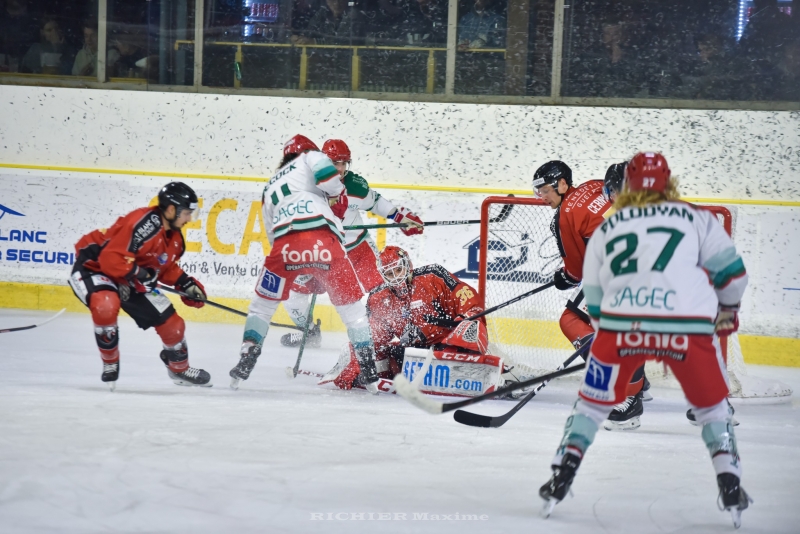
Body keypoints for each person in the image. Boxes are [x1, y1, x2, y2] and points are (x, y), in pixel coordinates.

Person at [539, 152, 752, 528]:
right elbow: (734, 275)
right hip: (687, 322)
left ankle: (562, 475)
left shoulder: (611, 227)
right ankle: (731, 483)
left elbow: (594, 292)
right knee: (712, 408)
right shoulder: (695, 216)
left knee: (591, 403)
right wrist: (727, 311)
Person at [228, 135, 382, 393]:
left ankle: (247, 355)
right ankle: (368, 367)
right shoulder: (314, 164)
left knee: (262, 307)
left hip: (286, 248)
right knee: (352, 310)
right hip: (325, 244)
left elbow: (271, 232)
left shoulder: (270, 186)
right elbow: (337, 196)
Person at [533, 160, 646, 430]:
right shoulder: (597, 186)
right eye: (539, 192)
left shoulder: (567, 213)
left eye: (545, 190)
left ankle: (625, 393)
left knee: (572, 320)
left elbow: (576, 270)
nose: (542, 197)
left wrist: (565, 278)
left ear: (562, 184)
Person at [280, 138, 424, 348]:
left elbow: (375, 202)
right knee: (292, 295)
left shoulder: (354, 185)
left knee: (384, 293)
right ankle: (309, 332)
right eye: (334, 163)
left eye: (343, 163)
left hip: (357, 250)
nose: (339, 168)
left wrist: (400, 216)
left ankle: (407, 333)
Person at [67, 182, 211, 390]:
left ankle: (179, 369)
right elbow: (110, 259)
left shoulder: (174, 238)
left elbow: (162, 267)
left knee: (173, 325)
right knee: (105, 304)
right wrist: (140, 274)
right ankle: (110, 362)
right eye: (187, 213)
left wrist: (186, 284)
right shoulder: (143, 224)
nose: (189, 219)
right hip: (94, 268)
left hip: (129, 275)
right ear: (171, 209)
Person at [323, 245, 489, 390]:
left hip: (451, 346)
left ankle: (475, 369)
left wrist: (465, 318)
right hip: (416, 356)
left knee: (471, 328)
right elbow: (372, 336)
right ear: (382, 275)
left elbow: (466, 298)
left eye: (398, 270)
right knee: (385, 353)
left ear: (407, 265)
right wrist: (359, 360)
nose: (395, 277)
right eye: (389, 273)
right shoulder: (378, 299)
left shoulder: (433, 277)